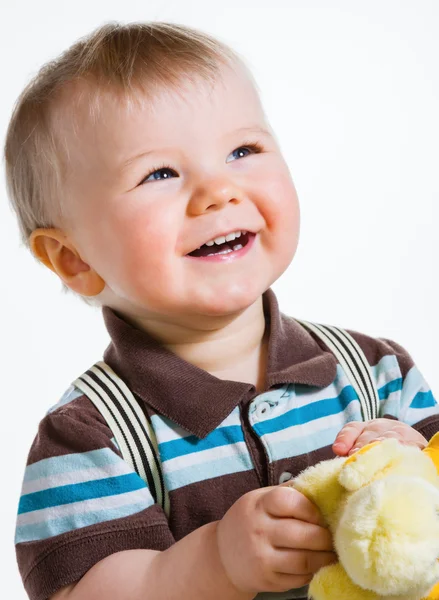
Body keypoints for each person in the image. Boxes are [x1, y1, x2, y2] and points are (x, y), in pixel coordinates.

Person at [5, 22, 438, 600]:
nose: (218, 190)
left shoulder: (378, 371)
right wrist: (212, 561)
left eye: (243, 151)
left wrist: (421, 471)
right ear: (73, 257)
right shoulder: (88, 440)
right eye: (159, 173)